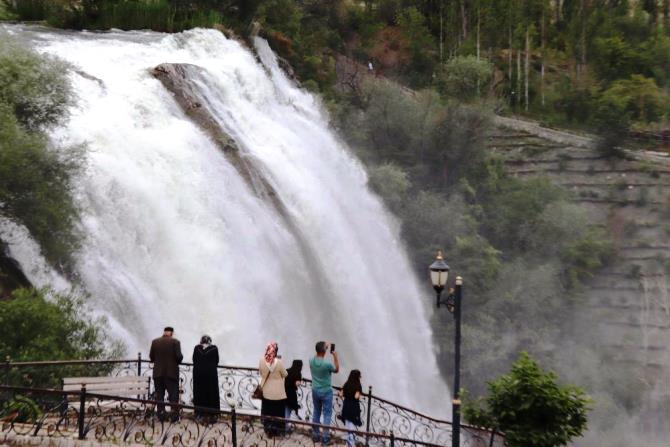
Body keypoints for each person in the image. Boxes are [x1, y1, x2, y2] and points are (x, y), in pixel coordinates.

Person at [149, 326, 183, 421]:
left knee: (159, 395)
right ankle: (174, 417)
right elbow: (179, 357)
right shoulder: (175, 342)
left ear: (164, 332)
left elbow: (151, 357)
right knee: (173, 396)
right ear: (172, 333)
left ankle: (161, 416)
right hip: (171, 373)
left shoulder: (155, 342)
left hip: (158, 373)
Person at [309, 341, 339, 445]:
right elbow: (336, 370)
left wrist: (324, 346)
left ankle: (315, 435)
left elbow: (318, 353)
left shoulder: (311, 360)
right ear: (324, 351)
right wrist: (335, 356)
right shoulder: (327, 364)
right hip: (326, 391)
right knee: (327, 414)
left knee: (316, 412)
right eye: (325, 348)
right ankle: (325, 438)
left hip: (315, 390)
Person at [259, 341, 287, 437]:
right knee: (278, 413)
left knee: (268, 412)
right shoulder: (279, 362)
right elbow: (285, 374)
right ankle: (278, 431)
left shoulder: (262, 360)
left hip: (266, 392)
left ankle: (268, 431)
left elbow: (261, 373)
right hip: (278, 394)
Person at [192, 335, 220, 418]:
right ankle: (212, 414)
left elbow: (194, 360)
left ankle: (199, 413)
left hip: (198, 375)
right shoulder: (214, 349)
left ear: (201, 341)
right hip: (211, 375)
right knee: (211, 393)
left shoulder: (196, 348)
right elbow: (216, 361)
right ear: (210, 341)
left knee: (199, 393)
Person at [339, 370, 363, 447]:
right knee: (352, 424)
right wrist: (359, 394)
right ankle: (351, 443)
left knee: (347, 424)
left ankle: (348, 443)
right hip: (353, 406)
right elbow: (356, 397)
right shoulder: (358, 385)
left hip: (346, 405)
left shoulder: (346, 384)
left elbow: (341, 394)